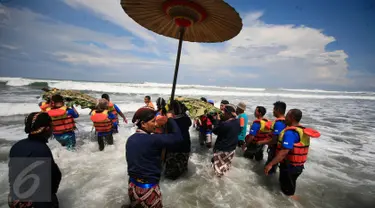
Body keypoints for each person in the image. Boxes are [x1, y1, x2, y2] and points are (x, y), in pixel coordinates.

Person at [126, 107, 183, 208]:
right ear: (143, 124)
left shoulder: (130, 139)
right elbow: (178, 138)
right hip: (148, 190)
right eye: (153, 121)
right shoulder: (154, 140)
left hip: (132, 187)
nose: (156, 124)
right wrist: (170, 119)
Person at [8, 112, 61, 208]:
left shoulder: (17, 146)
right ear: (48, 128)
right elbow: (53, 178)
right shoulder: (42, 149)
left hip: (15, 201)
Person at [265, 109, 320, 199]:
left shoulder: (290, 133)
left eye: (287, 115)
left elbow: (284, 152)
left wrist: (271, 164)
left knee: (286, 194)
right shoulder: (301, 130)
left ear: (292, 118)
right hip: (297, 166)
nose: (285, 117)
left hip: (289, 167)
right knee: (289, 188)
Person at [164, 100, 192, 180]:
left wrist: (169, 118)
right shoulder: (186, 118)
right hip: (185, 146)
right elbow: (189, 124)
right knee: (182, 168)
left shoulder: (170, 120)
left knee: (170, 171)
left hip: (174, 147)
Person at [212, 104, 241, 177]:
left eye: (224, 112)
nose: (223, 114)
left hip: (222, 149)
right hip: (231, 149)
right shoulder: (238, 122)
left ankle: (218, 185)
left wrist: (217, 120)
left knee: (218, 171)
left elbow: (215, 131)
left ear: (228, 114)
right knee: (225, 167)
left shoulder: (226, 124)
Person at [261, 101, 287, 175]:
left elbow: (275, 140)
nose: (273, 111)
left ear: (278, 110)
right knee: (272, 168)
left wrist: (261, 142)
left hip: (275, 150)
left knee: (269, 169)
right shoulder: (285, 121)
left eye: (274, 109)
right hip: (278, 150)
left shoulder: (279, 123)